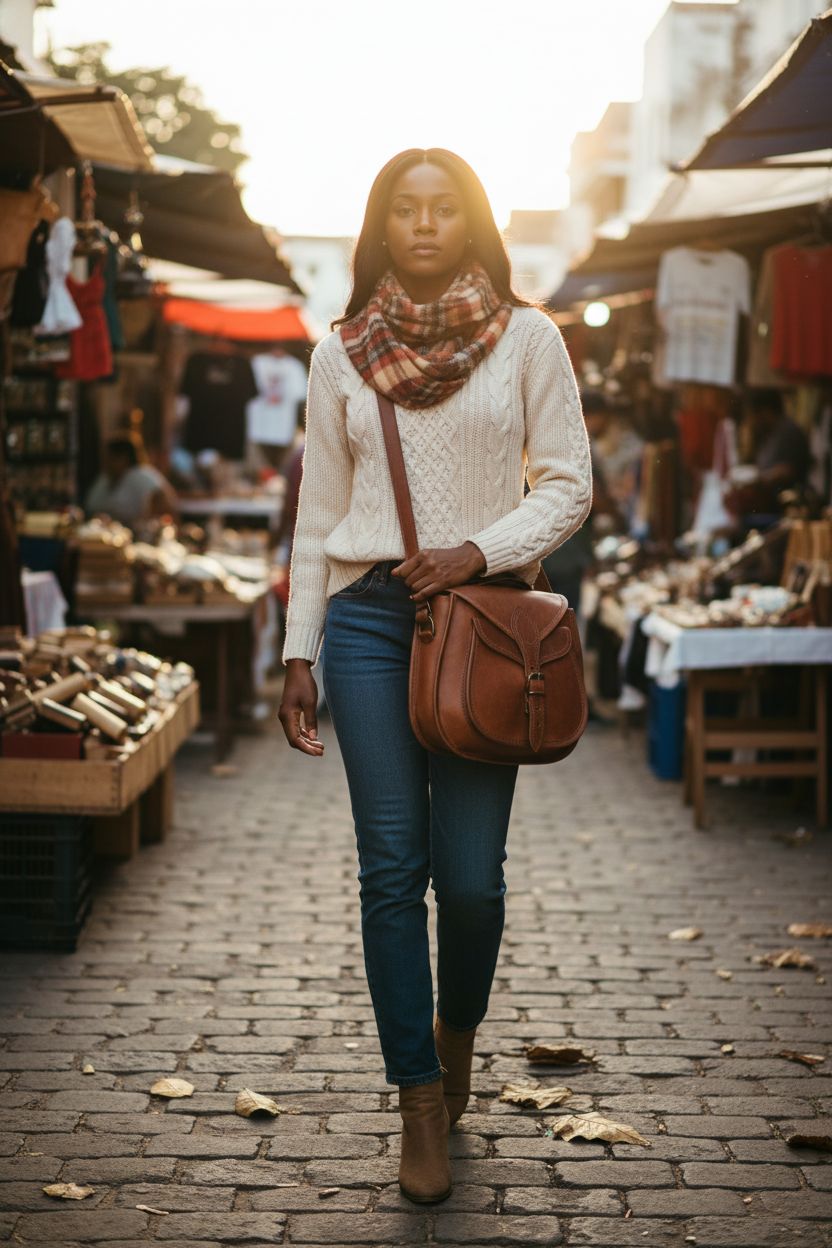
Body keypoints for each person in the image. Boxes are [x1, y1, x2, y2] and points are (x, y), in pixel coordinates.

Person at [278, 148, 592, 1205]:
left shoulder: (530, 337)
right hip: (367, 624)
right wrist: (296, 649)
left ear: (470, 222)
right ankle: (418, 1095)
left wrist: (480, 550)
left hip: (483, 626)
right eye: (402, 210)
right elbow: (319, 518)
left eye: (441, 208)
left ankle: (456, 1033)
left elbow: (570, 485)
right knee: (388, 869)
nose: (422, 226)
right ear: (381, 224)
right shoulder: (340, 356)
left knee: (470, 881)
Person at [85, 435, 178, 528]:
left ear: (124, 458)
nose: (106, 462)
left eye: (111, 458)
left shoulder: (142, 476)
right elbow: (92, 505)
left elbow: (165, 509)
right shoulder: (105, 478)